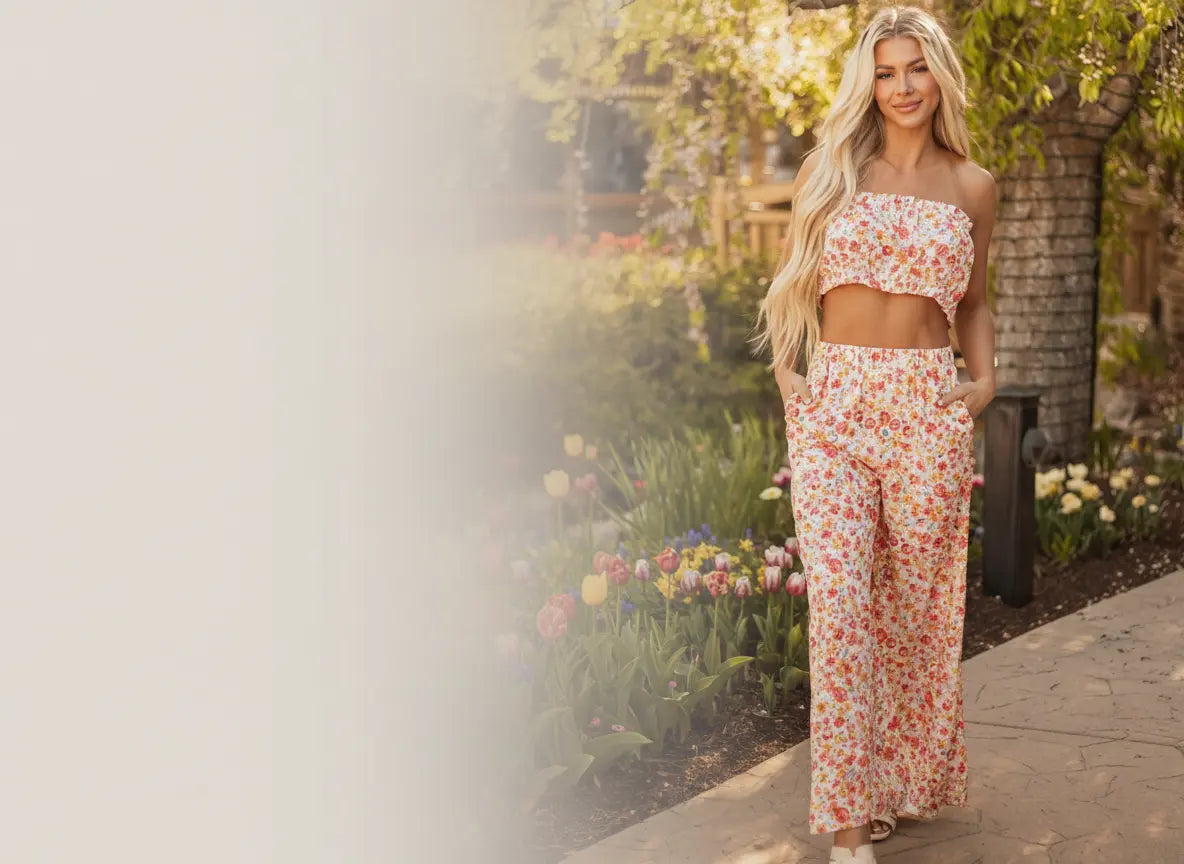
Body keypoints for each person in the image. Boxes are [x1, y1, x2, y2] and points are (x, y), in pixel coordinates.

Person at [751, 6, 998, 863]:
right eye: (886, 71)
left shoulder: (973, 186)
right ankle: (848, 821)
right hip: (837, 408)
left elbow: (973, 301)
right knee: (843, 613)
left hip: (928, 404)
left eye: (916, 70)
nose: (902, 87)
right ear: (870, 82)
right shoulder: (830, 171)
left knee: (914, 614)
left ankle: (894, 782)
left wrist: (985, 381)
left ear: (940, 79)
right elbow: (789, 281)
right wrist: (793, 381)